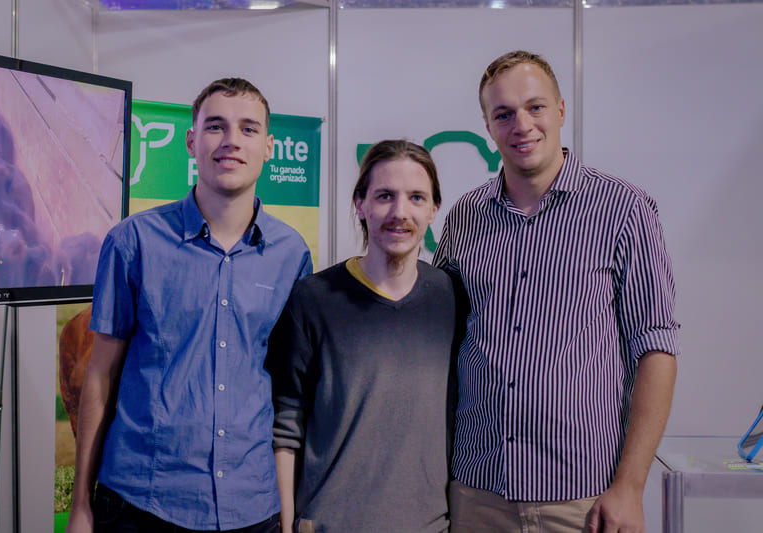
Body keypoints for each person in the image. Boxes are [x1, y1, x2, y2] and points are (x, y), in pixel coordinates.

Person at [433, 50, 680, 533]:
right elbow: (443, 341)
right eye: (503, 114)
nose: (521, 124)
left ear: (561, 110)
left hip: (583, 500)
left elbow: (656, 350)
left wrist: (629, 487)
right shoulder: (464, 218)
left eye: (535, 107)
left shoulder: (624, 210)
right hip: (477, 493)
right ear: (488, 127)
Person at [66, 78, 313, 533]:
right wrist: (80, 504)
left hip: (250, 505)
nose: (231, 141)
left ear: (269, 147)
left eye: (248, 129)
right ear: (191, 141)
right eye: (216, 126)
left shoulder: (291, 254)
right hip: (142, 502)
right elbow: (99, 373)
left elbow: (285, 388)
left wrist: (287, 506)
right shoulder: (132, 241)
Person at [266, 140, 459, 533]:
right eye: (385, 196)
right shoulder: (313, 297)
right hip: (327, 525)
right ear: (360, 204)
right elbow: (285, 426)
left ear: (434, 209)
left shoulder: (450, 296)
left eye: (416, 197)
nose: (399, 213)